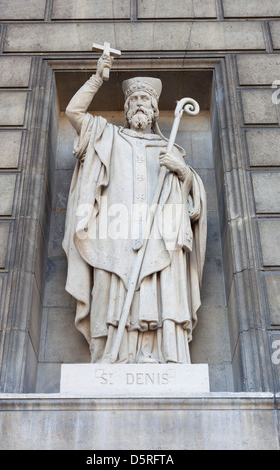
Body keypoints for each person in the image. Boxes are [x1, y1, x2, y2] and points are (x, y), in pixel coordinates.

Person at [62, 53, 207, 364]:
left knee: (162, 287)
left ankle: (167, 354)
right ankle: (112, 354)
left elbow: (193, 206)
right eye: (135, 99)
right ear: (127, 108)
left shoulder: (170, 150)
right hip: (113, 233)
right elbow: (74, 111)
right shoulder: (107, 136)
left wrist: (182, 171)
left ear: (154, 110)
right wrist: (97, 78)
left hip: (159, 235)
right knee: (111, 286)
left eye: (146, 99)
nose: (140, 103)